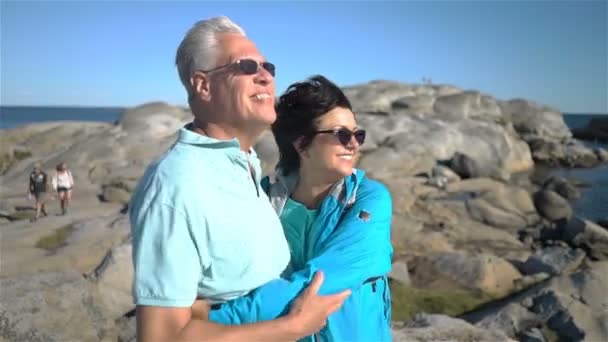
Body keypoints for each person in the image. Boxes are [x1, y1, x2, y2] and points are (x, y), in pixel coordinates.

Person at [129, 16, 349, 341]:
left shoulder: (243, 161)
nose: (265, 77)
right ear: (203, 85)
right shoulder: (177, 185)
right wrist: (292, 328)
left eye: (267, 67)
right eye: (246, 67)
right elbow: (163, 337)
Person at [208, 75, 394, 341]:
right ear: (302, 144)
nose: (353, 144)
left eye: (357, 134)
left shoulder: (368, 199)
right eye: (341, 134)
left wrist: (209, 322)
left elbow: (319, 283)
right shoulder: (261, 199)